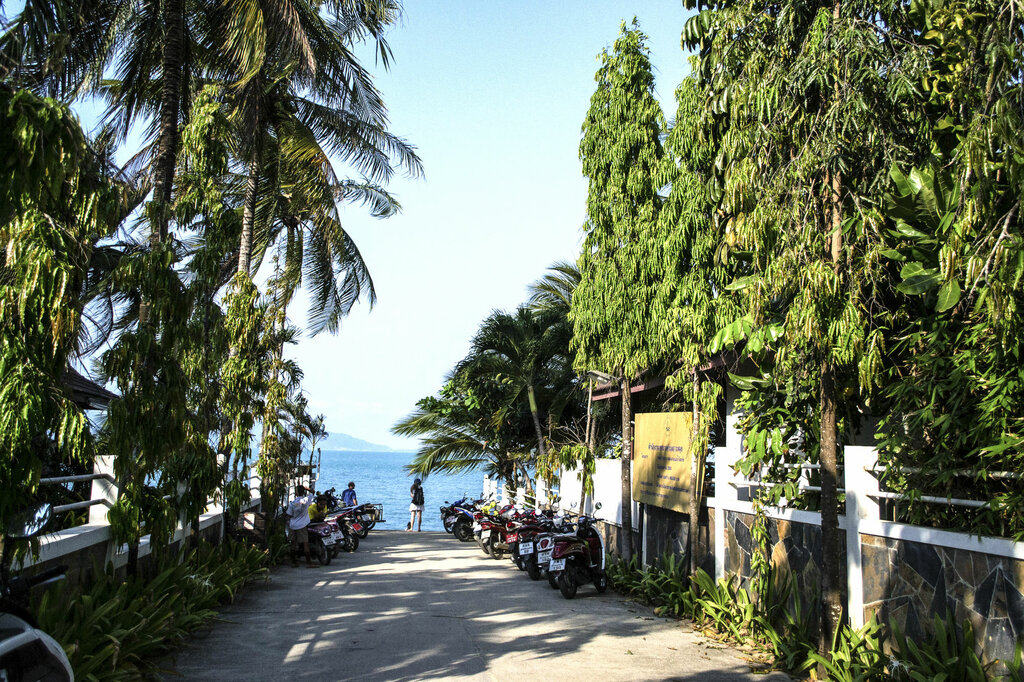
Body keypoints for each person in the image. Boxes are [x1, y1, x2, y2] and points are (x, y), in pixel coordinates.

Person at [286, 484, 316, 566]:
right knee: (305, 543)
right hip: (302, 525)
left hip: (293, 525)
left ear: (296, 493)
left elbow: (289, 515)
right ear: (304, 492)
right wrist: (307, 488)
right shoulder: (306, 500)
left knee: (293, 543)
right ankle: (309, 562)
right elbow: (313, 491)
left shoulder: (292, 503)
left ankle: (293, 562)